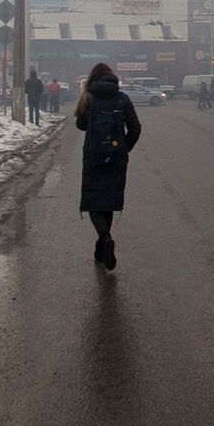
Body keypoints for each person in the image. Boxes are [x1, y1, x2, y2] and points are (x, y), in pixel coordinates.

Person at [75, 63, 142, 271]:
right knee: (109, 200)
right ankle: (102, 246)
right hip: (117, 158)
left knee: (94, 202)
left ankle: (104, 238)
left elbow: (81, 125)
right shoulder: (122, 98)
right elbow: (135, 128)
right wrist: (123, 149)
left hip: (94, 157)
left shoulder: (88, 98)